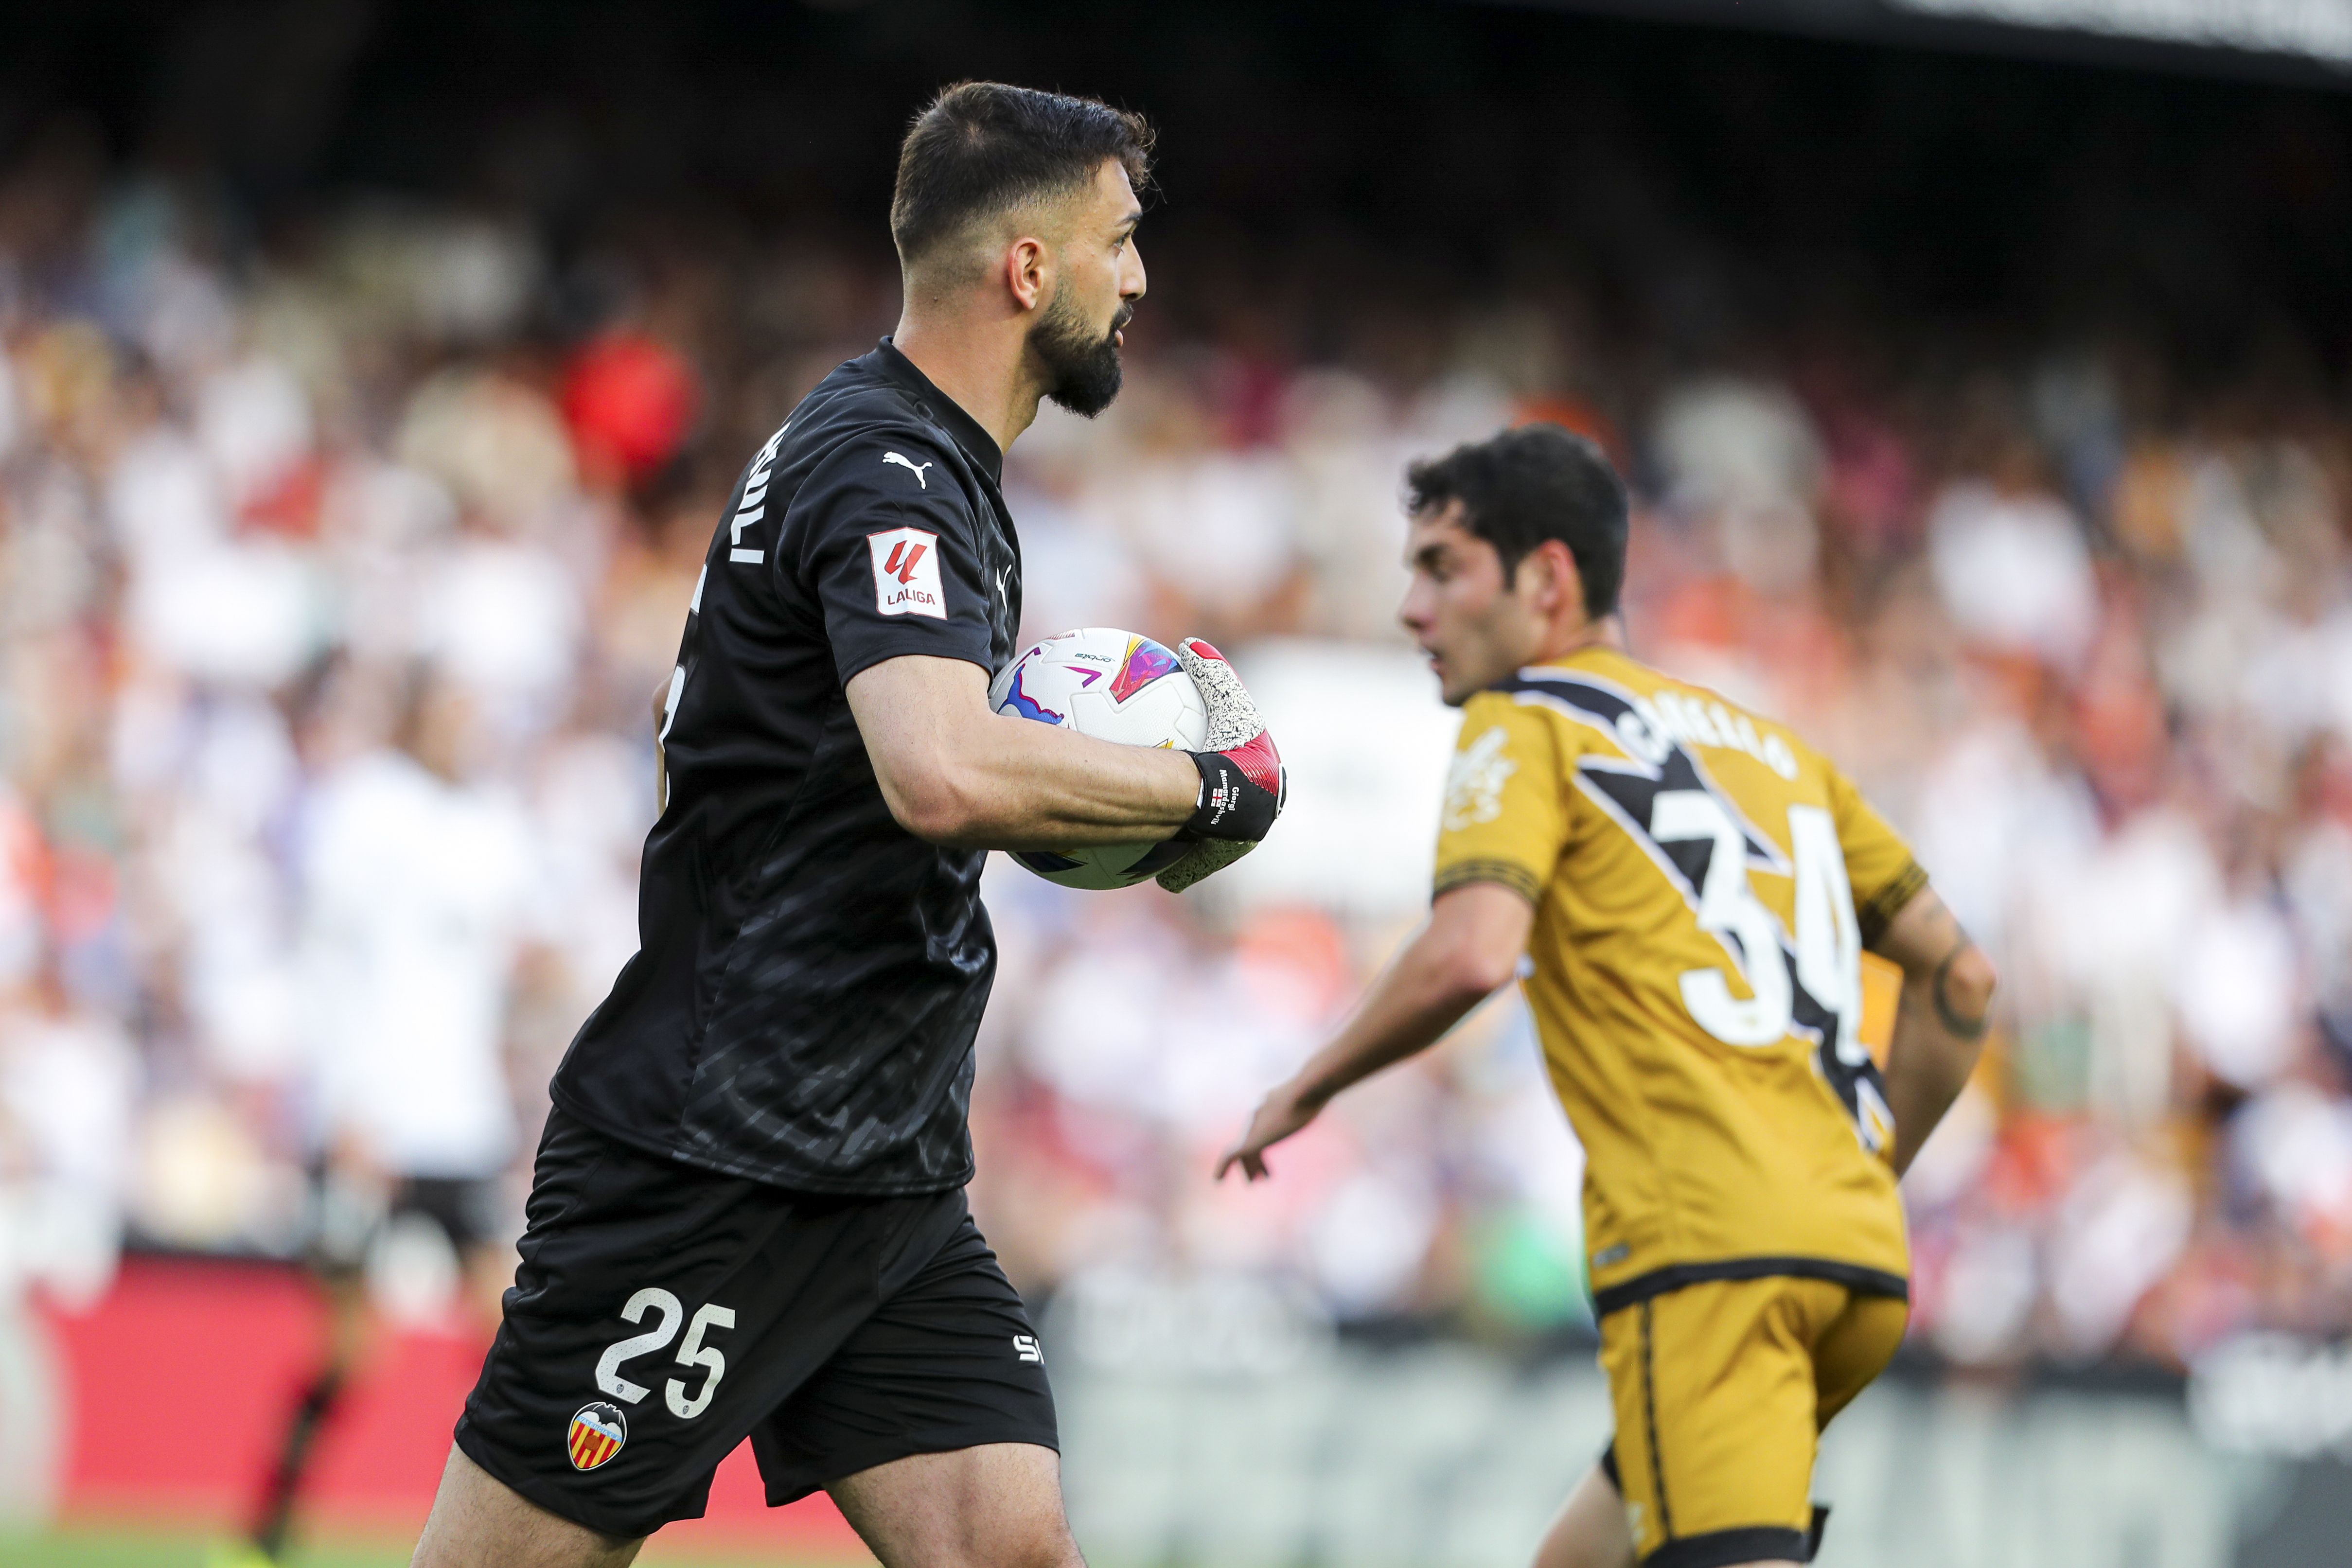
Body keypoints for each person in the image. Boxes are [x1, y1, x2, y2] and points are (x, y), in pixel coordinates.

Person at [412, 82, 1284, 1568]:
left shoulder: (909, 462)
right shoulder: (884, 465)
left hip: (881, 1173)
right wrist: (1212, 786)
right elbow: (936, 773)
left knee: (1011, 1550)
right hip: (718, 1159)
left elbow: (769, 748)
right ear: (1026, 268)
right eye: (1120, 243)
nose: (1138, 281)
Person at [1220, 425, 1993, 1568]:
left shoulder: (1525, 717)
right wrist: (1859, 1172)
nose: (1411, 610)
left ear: (1545, 579)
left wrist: (1306, 1083)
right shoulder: (1776, 754)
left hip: (1711, 1253)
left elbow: (1474, 951)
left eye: (1441, 568)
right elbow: (1960, 974)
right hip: (1858, 1257)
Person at [235, 669, 536, 1568]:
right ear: (416, 715)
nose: (464, 731)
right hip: (372, 1119)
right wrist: (346, 1105)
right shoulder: (365, 809)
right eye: (450, 710)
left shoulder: (493, 826)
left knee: (507, 1334)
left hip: (461, 1123)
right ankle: (268, 1526)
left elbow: (498, 974)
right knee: (350, 1346)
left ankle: (489, 1529)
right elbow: (329, 963)